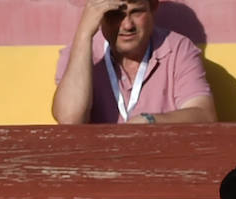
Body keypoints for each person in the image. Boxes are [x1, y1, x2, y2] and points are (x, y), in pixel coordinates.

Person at [53, 0, 216, 125]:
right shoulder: (78, 52)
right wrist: (84, 33)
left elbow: (204, 114)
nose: (127, 25)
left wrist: (150, 121)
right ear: (98, 14)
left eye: (136, 12)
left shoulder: (178, 48)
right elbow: (70, 120)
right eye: (115, 14)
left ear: (153, 7)